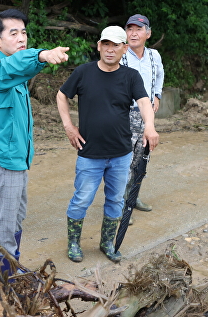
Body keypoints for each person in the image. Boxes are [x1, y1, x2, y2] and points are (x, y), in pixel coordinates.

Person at [57, 26, 159, 263]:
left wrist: (150, 126)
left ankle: (106, 243)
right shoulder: (84, 73)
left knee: (115, 200)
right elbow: (62, 95)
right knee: (82, 198)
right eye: (106, 44)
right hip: (89, 152)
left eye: (116, 45)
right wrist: (68, 126)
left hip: (121, 153)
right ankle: (73, 243)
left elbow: (145, 102)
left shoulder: (131, 76)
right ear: (99, 46)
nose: (110, 49)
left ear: (125, 48)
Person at [0, 9, 69, 273]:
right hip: (3, 158)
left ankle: (12, 265)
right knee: (6, 222)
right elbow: (15, 65)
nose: (21, 38)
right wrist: (42, 54)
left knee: (17, 215)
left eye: (24, 33)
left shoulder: (14, 73)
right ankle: (6, 276)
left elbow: (19, 67)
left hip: (17, 157)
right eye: (13, 33)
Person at [121, 14, 164, 218]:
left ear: (148, 33)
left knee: (141, 159)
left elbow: (160, 76)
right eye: (130, 29)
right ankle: (119, 204)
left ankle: (132, 196)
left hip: (146, 117)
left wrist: (157, 94)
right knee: (124, 161)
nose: (133, 33)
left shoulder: (154, 55)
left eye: (138, 29)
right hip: (124, 114)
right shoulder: (120, 54)